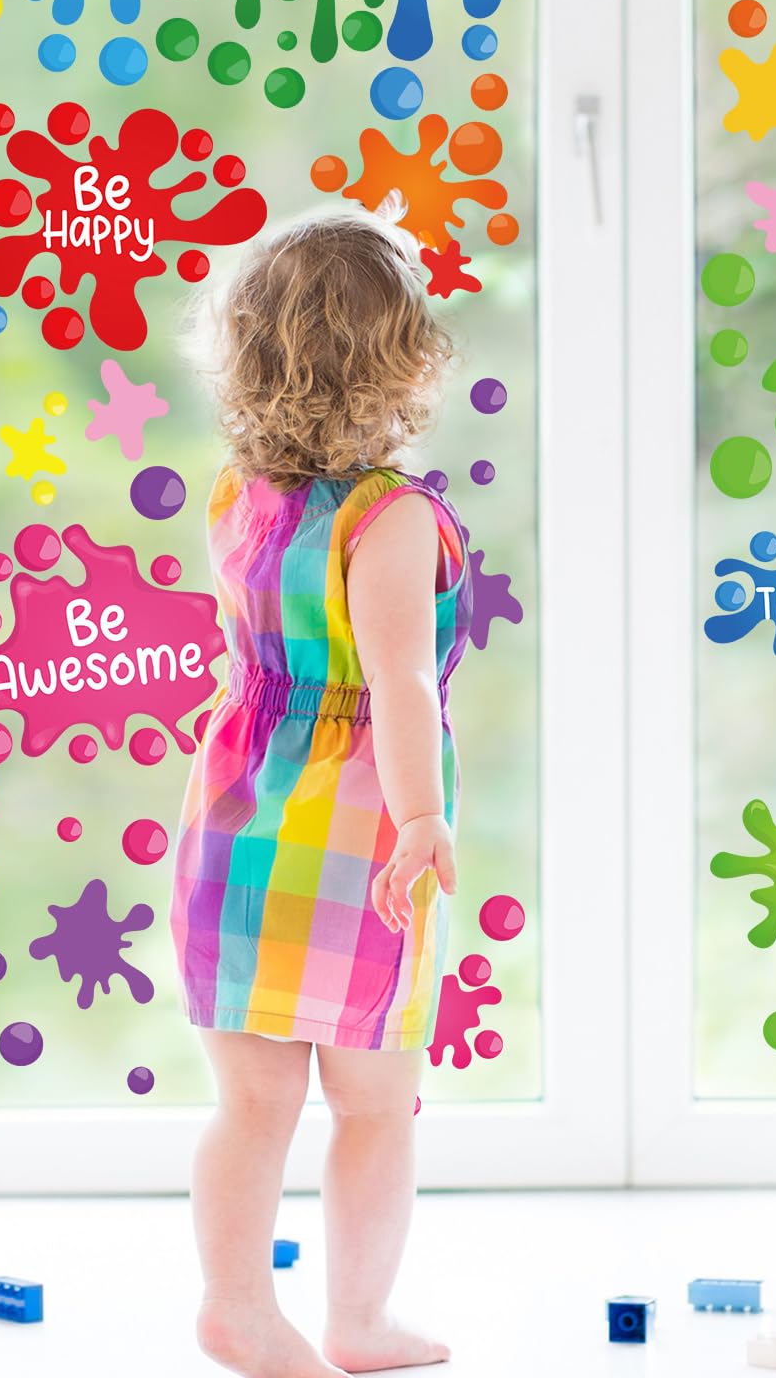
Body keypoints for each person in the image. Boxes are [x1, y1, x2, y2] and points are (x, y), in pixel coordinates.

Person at [172, 211, 472, 1376]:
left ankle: (236, 1305)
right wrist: (422, 819)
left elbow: (267, 660)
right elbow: (396, 681)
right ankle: (356, 1316)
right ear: (404, 364)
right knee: (374, 1102)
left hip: (235, 824)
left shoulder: (240, 497)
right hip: (350, 841)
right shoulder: (389, 517)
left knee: (251, 1104)